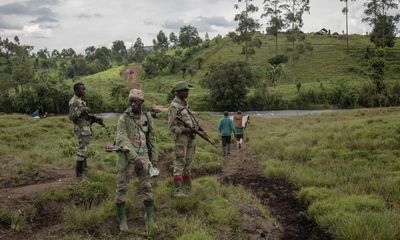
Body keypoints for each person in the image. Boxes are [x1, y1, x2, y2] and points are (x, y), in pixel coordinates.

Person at [114, 89, 158, 232]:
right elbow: (122, 138)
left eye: (136, 101)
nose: (133, 103)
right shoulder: (124, 118)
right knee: (122, 188)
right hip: (127, 158)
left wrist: (154, 159)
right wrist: (135, 158)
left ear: (141, 102)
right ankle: (122, 220)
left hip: (144, 157)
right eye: (130, 101)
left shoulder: (147, 117)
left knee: (147, 187)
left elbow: (152, 138)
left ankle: (149, 217)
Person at [168, 81, 201, 198]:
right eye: (185, 90)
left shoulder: (185, 104)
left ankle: (187, 188)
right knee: (180, 162)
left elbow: (190, 120)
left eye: (187, 90)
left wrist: (195, 128)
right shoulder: (174, 106)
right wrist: (187, 131)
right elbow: (171, 126)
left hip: (190, 137)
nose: (187, 92)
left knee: (188, 162)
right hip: (182, 138)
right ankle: (178, 191)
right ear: (179, 92)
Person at [69, 83, 95, 177]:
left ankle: (84, 170)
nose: (84, 91)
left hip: (86, 128)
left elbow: (84, 116)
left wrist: (94, 118)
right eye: (82, 89)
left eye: (84, 89)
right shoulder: (74, 101)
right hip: (81, 129)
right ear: (76, 90)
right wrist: (83, 109)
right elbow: (71, 117)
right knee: (82, 149)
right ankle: (79, 174)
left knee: (84, 149)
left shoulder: (80, 101)